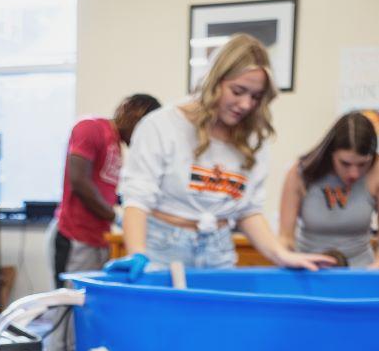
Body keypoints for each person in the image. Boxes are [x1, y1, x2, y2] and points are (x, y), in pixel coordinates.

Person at [116, 34, 335, 274]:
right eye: (238, 91)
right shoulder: (162, 125)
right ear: (215, 80)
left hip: (218, 249)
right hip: (162, 248)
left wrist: (281, 255)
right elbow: (137, 198)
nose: (245, 104)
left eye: (255, 96)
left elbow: (248, 210)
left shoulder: (252, 139)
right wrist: (137, 253)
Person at [54, 93, 162, 286]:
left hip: (99, 237)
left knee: (90, 303)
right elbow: (79, 181)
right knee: (68, 305)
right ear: (133, 116)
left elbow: (106, 190)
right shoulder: (90, 127)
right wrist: (115, 217)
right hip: (75, 235)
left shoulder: (116, 145)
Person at [278, 112, 379, 268]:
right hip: (310, 269)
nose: (354, 173)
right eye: (345, 163)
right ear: (330, 154)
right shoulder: (300, 172)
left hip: (361, 270)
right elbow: (285, 237)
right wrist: (289, 260)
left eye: (362, 164)